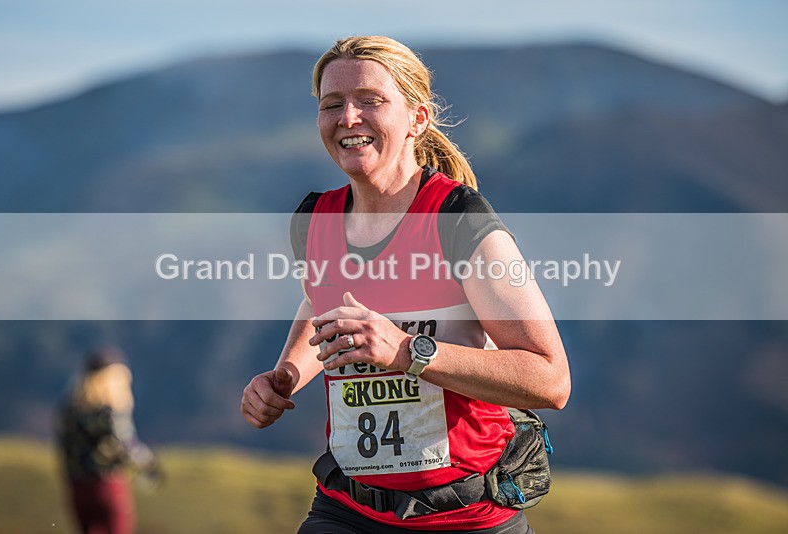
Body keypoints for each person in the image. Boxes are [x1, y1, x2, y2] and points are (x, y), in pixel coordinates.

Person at [241, 35, 570, 533]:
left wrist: (406, 350)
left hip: (464, 515)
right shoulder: (314, 220)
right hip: (346, 506)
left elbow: (550, 380)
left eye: (371, 100)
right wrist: (284, 375)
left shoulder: (457, 218)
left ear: (417, 119)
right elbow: (321, 302)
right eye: (333, 105)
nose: (348, 118)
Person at [56, 348, 162, 534]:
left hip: (76, 487)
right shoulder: (110, 410)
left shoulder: (70, 410)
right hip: (107, 486)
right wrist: (149, 464)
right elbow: (125, 444)